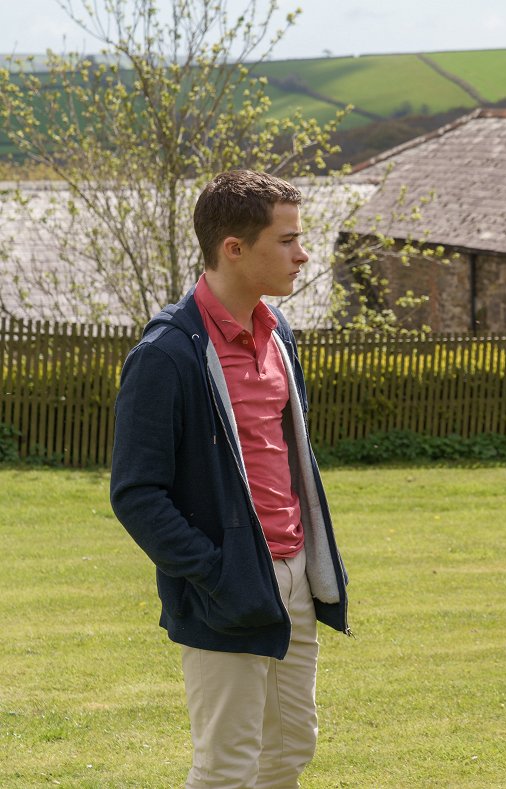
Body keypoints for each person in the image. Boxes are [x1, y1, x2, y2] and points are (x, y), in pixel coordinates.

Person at [110, 170, 349, 789]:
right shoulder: (166, 355)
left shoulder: (280, 335)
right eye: (288, 240)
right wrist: (217, 571)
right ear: (234, 249)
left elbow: (284, 458)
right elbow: (137, 494)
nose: (303, 254)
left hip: (296, 574)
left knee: (290, 750)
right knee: (226, 767)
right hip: (227, 584)